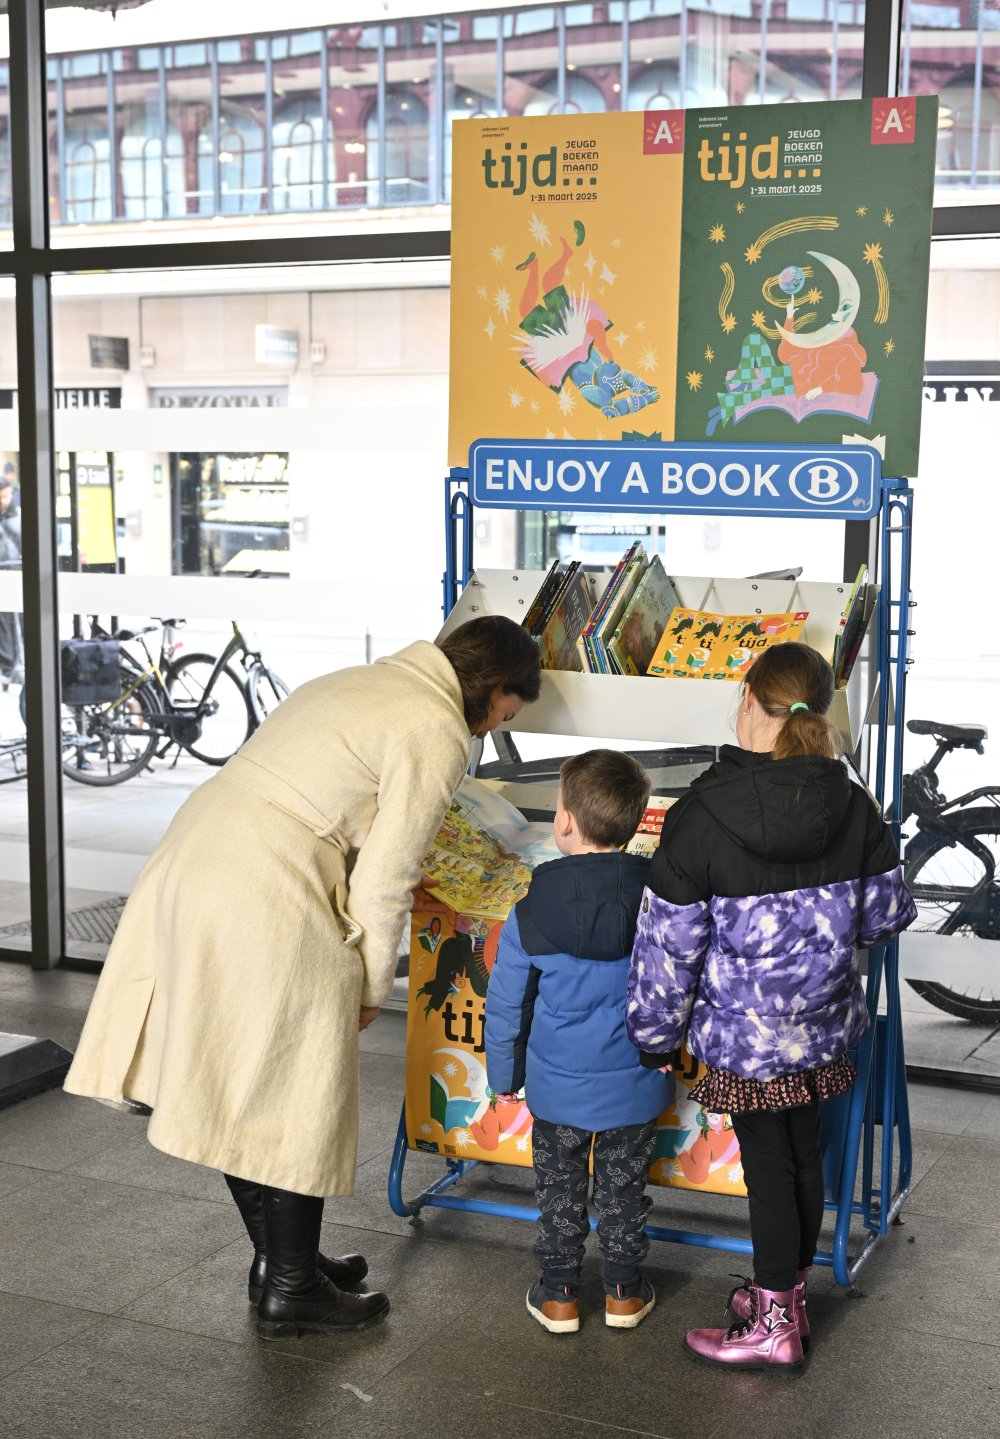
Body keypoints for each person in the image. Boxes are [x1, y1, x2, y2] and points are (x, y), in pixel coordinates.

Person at [65, 615, 542, 1341]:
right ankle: (292, 1287)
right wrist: (368, 984)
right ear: (495, 686)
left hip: (198, 854)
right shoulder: (436, 725)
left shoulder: (363, 680)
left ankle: (282, 1260)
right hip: (264, 882)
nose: (492, 729)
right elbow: (387, 875)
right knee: (294, 1080)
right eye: (506, 712)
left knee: (236, 1074)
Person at [626, 642, 916, 1372]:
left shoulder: (700, 813)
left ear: (747, 698)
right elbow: (885, 916)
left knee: (768, 1162)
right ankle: (785, 1291)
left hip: (744, 1037)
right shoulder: (854, 802)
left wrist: (655, 1037)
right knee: (801, 1153)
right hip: (821, 1028)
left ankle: (776, 1321)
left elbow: (668, 949)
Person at [485, 749, 671, 1336]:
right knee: (622, 1192)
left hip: (556, 1088)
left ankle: (560, 1294)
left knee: (559, 1191)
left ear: (564, 821)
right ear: (637, 819)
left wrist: (502, 1078)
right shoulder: (660, 902)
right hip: (635, 1086)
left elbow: (507, 1006)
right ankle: (623, 1292)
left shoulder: (529, 911)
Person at [0, 475, 23, 686]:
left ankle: (22, 666)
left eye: (5, 496)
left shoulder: (19, 517)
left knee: (21, 621)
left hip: (17, 573)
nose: (2, 501)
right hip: (2, 575)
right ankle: (8, 668)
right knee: (4, 623)